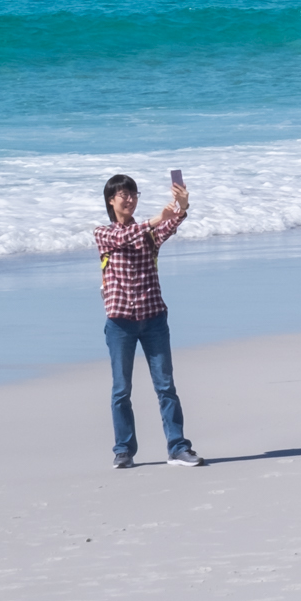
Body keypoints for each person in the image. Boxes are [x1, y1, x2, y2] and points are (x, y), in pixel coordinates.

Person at [95, 172, 202, 468]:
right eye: (123, 195)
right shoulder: (103, 234)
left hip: (153, 318)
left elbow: (171, 223)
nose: (129, 200)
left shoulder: (150, 234)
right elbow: (125, 236)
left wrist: (183, 205)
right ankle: (123, 450)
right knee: (121, 390)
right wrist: (156, 218)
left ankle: (178, 447)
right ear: (111, 201)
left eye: (133, 194)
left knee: (165, 386)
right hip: (120, 323)